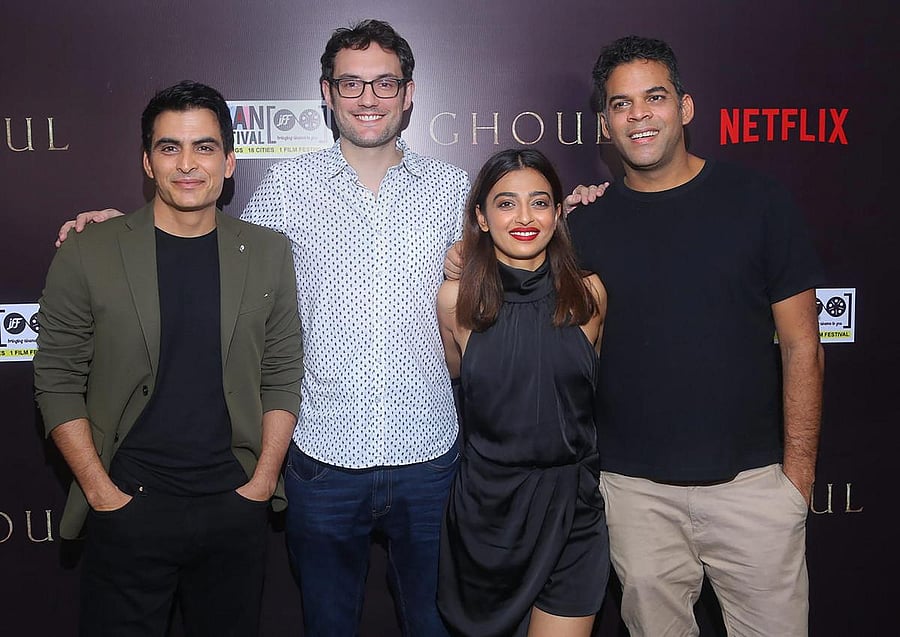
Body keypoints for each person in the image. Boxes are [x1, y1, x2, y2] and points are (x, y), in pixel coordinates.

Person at [55, 20, 470, 636]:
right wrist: (117, 230)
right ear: (325, 94)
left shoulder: (455, 190)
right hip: (322, 459)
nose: (368, 97)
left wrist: (584, 205)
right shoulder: (283, 189)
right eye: (350, 83)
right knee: (327, 625)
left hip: (431, 457)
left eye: (385, 82)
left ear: (409, 94)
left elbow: (523, 246)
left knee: (436, 625)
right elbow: (210, 246)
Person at [570, 36, 825, 636]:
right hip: (636, 498)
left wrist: (798, 480)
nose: (639, 115)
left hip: (755, 490)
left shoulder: (761, 203)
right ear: (605, 123)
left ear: (684, 108)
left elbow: (803, 346)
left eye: (653, 97)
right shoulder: (584, 227)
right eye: (621, 104)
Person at [33, 81, 304, 637]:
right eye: (169, 147)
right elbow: (57, 381)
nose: (187, 164)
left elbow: (281, 374)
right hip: (127, 506)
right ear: (147, 160)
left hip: (233, 507)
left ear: (229, 162)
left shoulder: (269, 252)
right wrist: (102, 493)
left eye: (204, 147)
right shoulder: (89, 249)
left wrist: (260, 484)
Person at [436, 148, 608, 637]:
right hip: (489, 515)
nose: (525, 217)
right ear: (481, 218)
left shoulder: (589, 294)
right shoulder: (456, 300)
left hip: (572, 507)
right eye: (506, 203)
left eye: (540, 202)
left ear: (558, 211)